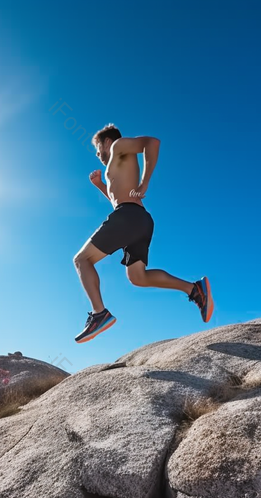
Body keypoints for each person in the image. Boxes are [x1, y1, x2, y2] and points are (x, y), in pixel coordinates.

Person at [73, 123, 213, 343]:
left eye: (98, 148)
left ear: (107, 142)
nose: (98, 154)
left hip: (129, 216)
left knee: (81, 260)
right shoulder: (115, 167)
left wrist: (144, 183)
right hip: (138, 219)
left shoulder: (118, 146)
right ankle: (194, 290)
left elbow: (151, 143)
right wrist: (100, 185)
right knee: (137, 276)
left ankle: (99, 314)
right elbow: (117, 200)